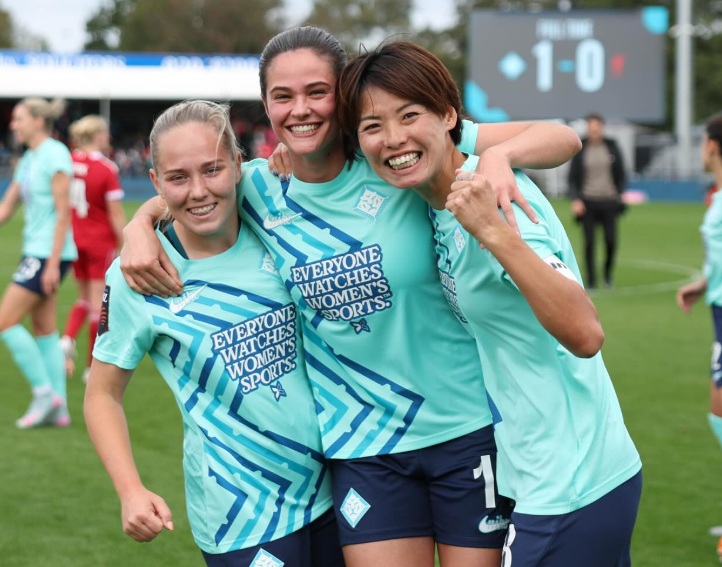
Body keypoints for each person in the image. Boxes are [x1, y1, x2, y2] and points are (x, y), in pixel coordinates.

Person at [119, 27, 581, 567]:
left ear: (343, 96)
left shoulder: (395, 154)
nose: (300, 109)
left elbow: (560, 137)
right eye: (283, 96)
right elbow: (193, 187)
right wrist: (141, 222)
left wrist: (499, 156)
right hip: (363, 447)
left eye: (317, 91)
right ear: (266, 106)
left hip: (465, 429)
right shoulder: (257, 188)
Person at [336, 40, 642, 566]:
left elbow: (585, 331)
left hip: (571, 481)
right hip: (548, 475)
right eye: (372, 126)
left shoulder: (494, 196)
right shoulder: (438, 198)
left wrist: (494, 231)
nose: (394, 138)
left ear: (448, 115)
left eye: (409, 115)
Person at [83, 100, 343, 567]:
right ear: (156, 181)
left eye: (212, 169)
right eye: (178, 177)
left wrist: (140, 219)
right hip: (242, 514)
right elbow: (101, 395)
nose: (199, 191)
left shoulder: (273, 219)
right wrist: (130, 490)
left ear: (239, 165)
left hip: (336, 483)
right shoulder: (140, 275)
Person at [0, 97, 76, 428]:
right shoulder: (29, 158)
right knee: (44, 329)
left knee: (4, 322)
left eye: (19, 118)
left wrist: (52, 264)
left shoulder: (55, 155)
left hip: (48, 254)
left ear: (38, 121)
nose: (13, 124)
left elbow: (64, 213)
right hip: (38, 251)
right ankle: (59, 410)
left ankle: (43, 392)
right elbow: (6, 208)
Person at [676, 115, 722, 560]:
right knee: (717, 414)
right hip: (718, 312)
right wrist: (706, 283)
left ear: (712, 146)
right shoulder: (717, 196)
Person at [60, 114, 127, 383]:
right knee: (99, 304)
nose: (108, 137)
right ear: (97, 135)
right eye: (105, 133)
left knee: (84, 298)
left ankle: (67, 338)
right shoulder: (106, 168)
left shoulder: (68, 162)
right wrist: (126, 244)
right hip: (100, 241)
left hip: (74, 238)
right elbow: (116, 213)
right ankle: (90, 367)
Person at [568, 113, 627, 289]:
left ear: (602, 128)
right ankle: (591, 280)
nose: (594, 131)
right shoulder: (581, 148)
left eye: (597, 128)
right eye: (591, 128)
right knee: (589, 242)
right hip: (588, 202)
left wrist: (619, 194)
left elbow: (621, 173)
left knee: (610, 241)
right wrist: (576, 199)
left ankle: (607, 274)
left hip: (609, 201)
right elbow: (572, 177)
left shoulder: (611, 147)